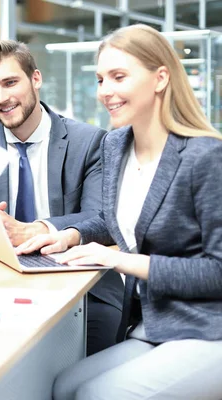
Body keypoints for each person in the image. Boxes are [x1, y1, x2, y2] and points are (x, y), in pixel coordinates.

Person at [18, 24, 222, 399]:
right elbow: (118, 220)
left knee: (97, 396)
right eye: (99, 79)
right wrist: (68, 235)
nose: (104, 92)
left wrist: (121, 262)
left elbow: (218, 271)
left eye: (118, 76)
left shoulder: (205, 156)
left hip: (209, 328)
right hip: (153, 324)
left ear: (160, 78)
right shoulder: (116, 145)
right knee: (64, 387)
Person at [0, 39, 124, 356]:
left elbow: (104, 219)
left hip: (81, 285)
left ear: (35, 79)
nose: (2, 98)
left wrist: (39, 229)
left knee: (90, 355)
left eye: (10, 82)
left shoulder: (89, 141)